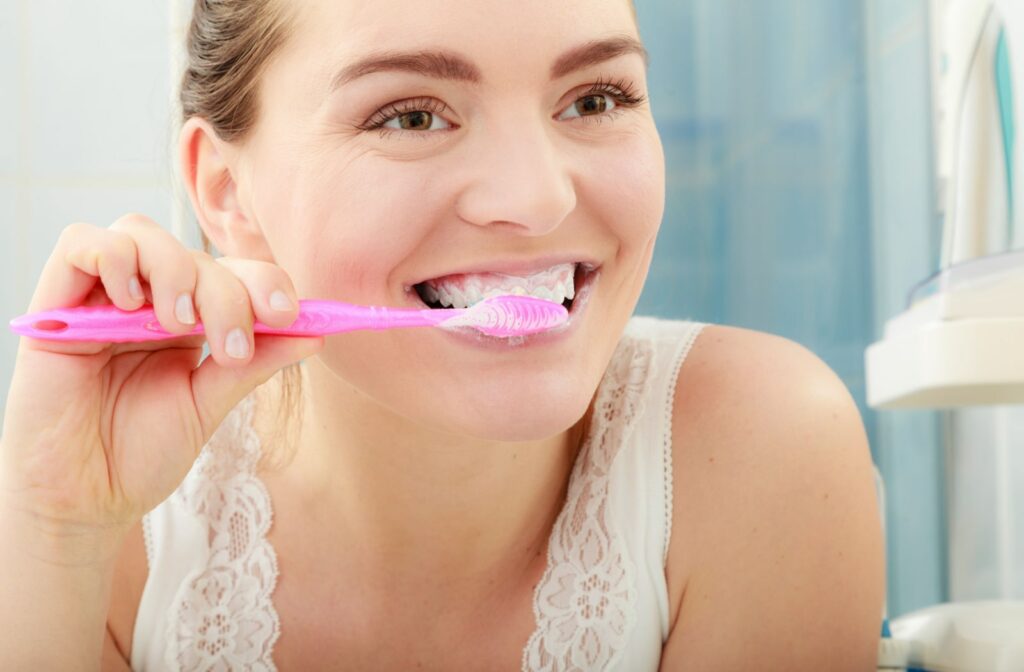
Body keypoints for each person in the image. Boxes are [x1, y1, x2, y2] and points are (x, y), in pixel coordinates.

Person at [0, 0, 885, 669]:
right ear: (229, 192)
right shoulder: (117, 524)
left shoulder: (764, 452)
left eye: (595, 97)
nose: (537, 199)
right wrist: (54, 533)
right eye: (412, 115)